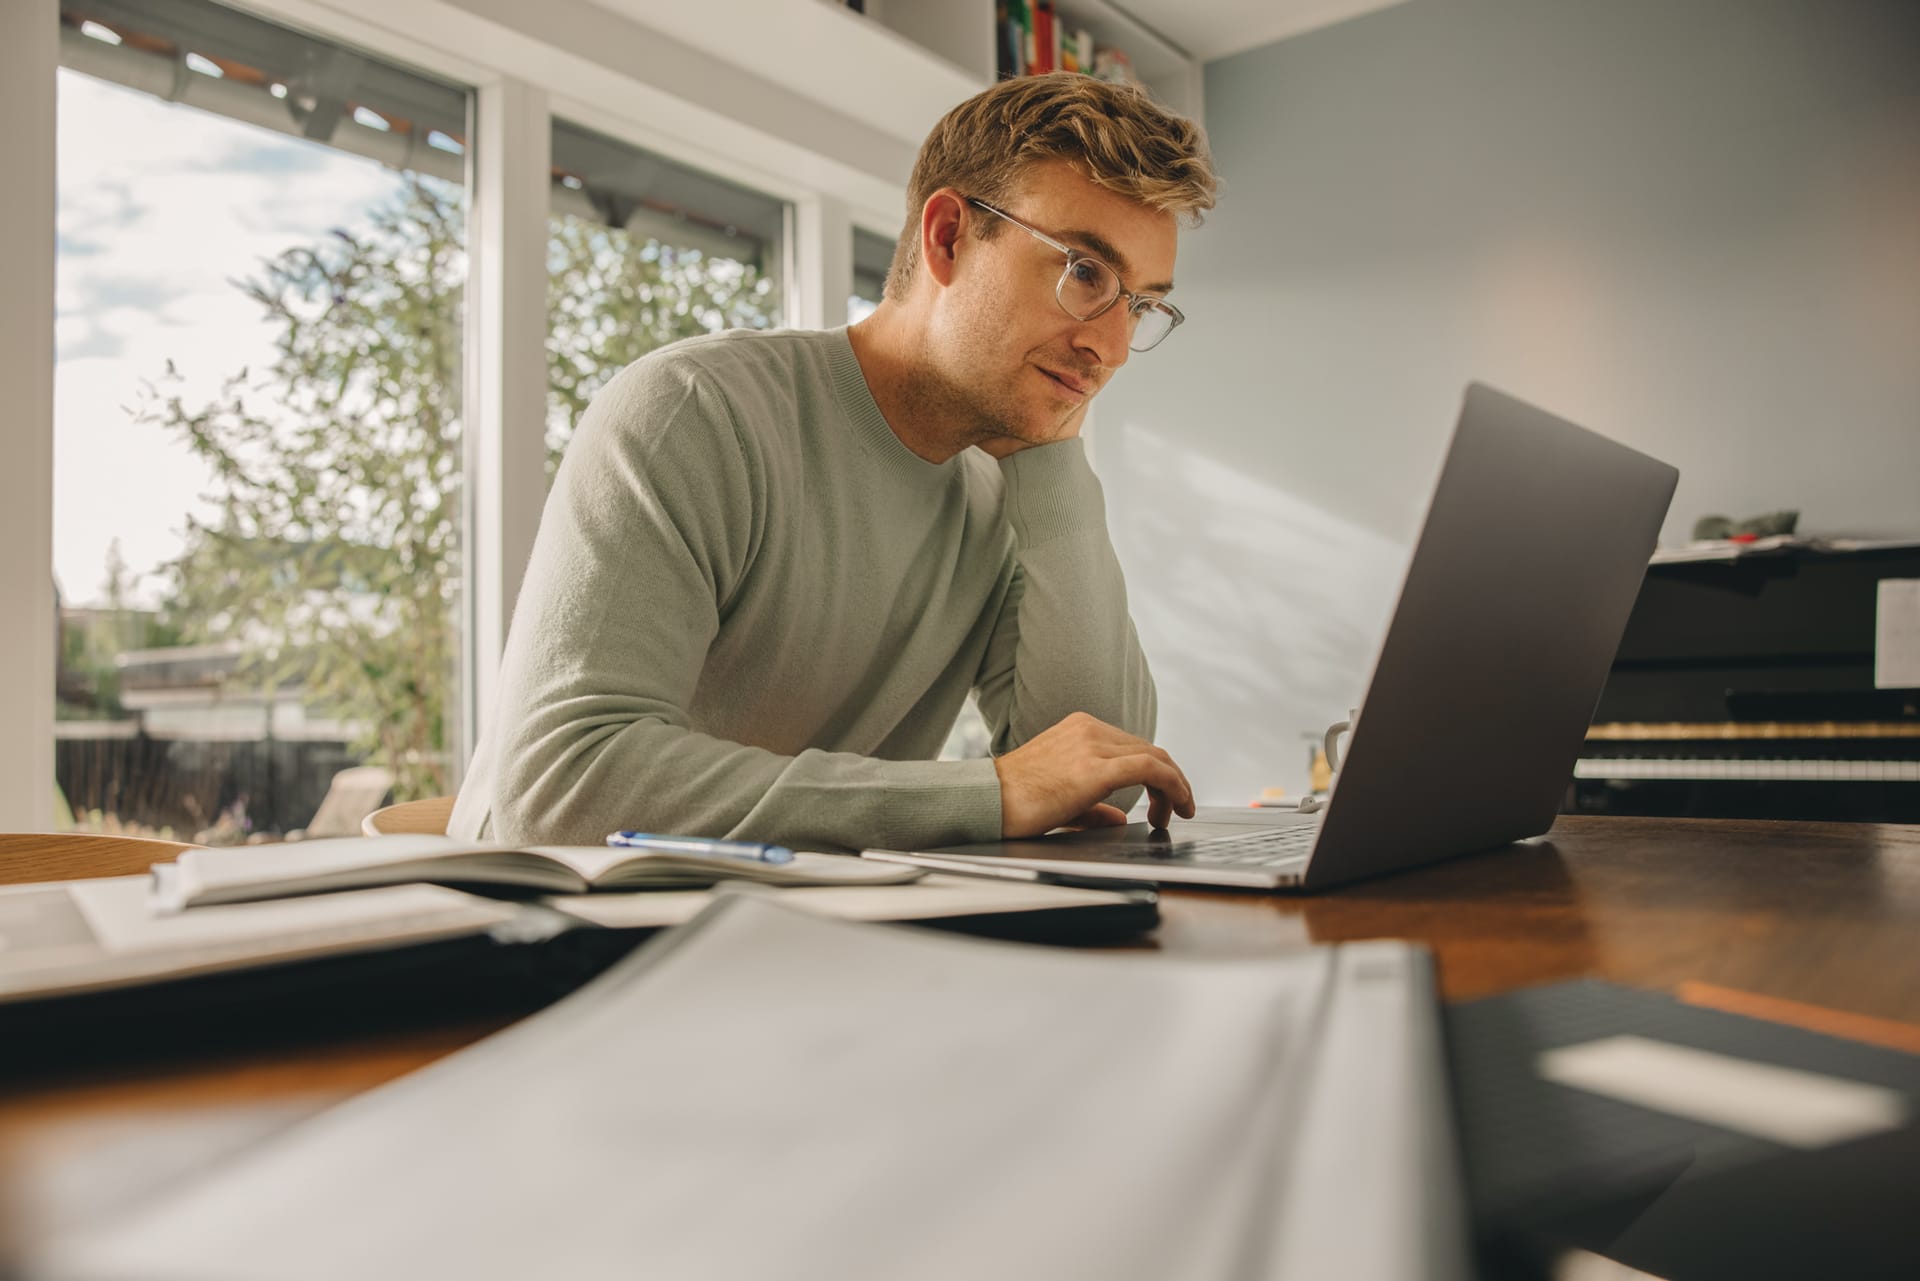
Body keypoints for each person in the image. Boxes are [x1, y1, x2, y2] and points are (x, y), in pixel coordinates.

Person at [449, 72, 1216, 851]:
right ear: (947, 236)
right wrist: (988, 793)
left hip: (808, 939)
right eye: (1084, 272)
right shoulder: (698, 411)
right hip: (548, 942)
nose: (1113, 348)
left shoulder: (1007, 493)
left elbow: (1103, 785)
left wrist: (1054, 462)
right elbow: (563, 786)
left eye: (1142, 304)